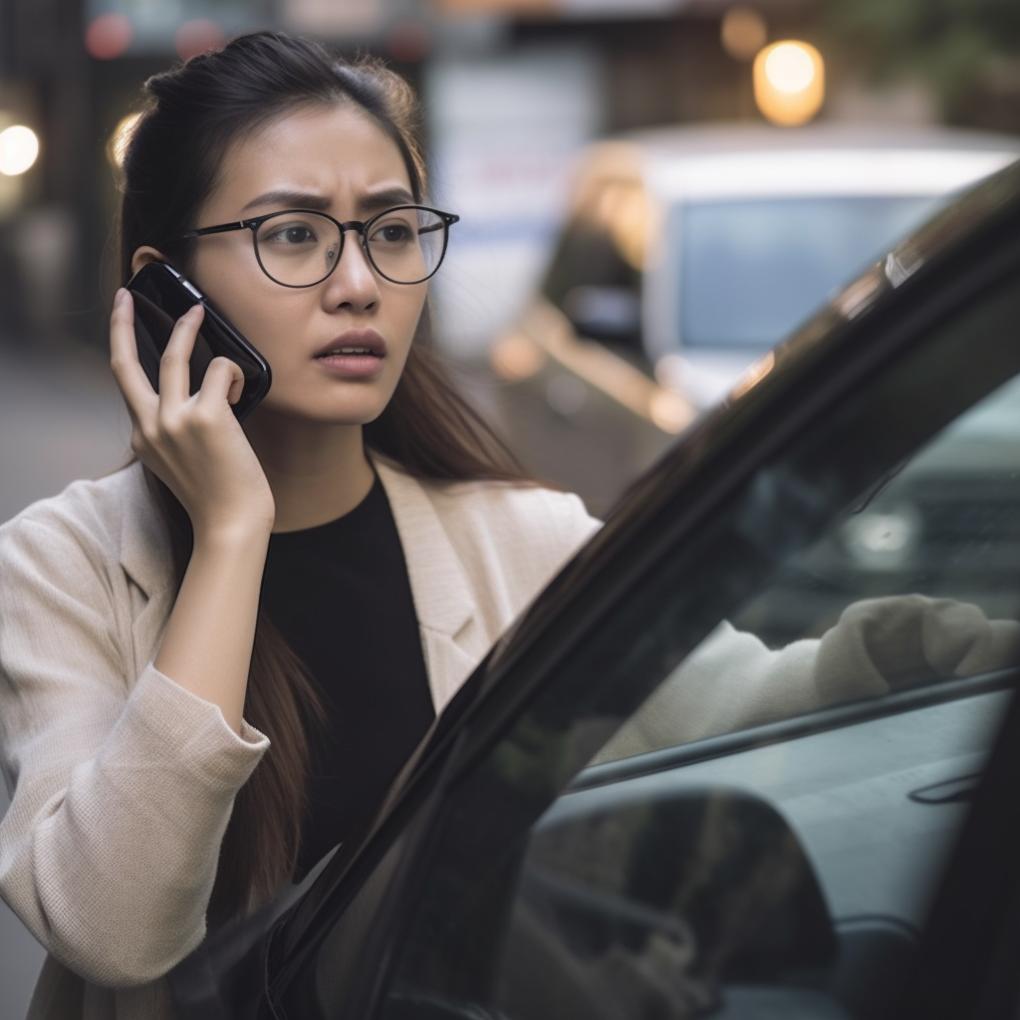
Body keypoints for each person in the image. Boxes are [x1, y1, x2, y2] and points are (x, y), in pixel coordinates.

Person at [2, 28, 1018, 1020]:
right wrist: (231, 533)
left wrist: (923, 660)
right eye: (294, 234)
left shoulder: (517, 540)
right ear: (162, 286)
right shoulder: (58, 568)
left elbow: (751, 713)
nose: (359, 284)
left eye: (392, 231)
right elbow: (115, 930)